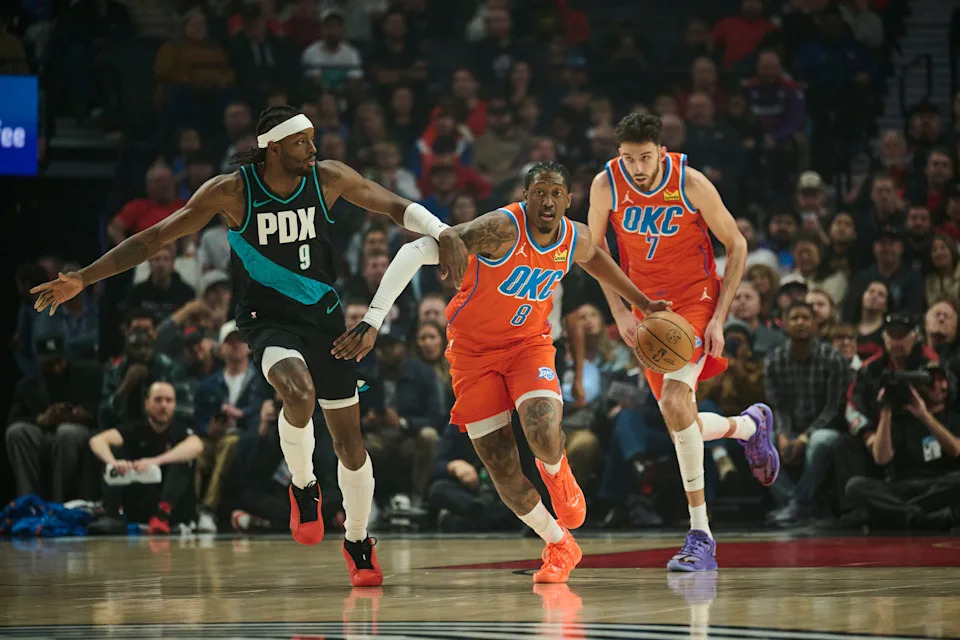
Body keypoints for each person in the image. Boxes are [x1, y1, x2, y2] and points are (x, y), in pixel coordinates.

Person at [32, 105, 468, 587]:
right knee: (297, 394)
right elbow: (154, 239)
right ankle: (304, 487)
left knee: (350, 446)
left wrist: (441, 230)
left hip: (323, 317)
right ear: (274, 147)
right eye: (303, 141)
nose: (314, 149)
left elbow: (393, 204)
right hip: (266, 320)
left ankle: (359, 541)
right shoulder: (232, 192)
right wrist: (83, 278)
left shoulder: (328, 178)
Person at [332, 161, 670, 583]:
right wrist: (373, 319)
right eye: (539, 192)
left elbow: (597, 258)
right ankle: (559, 544)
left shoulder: (573, 237)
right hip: (472, 354)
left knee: (543, 430)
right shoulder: (499, 230)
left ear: (569, 199)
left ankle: (557, 474)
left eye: (556, 193)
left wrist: (641, 302)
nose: (547, 200)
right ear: (525, 196)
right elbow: (415, 250)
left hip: (529, 346)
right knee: (502, 468)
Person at [587, 112, 780, 571]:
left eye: (645, 157)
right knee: (679, 421)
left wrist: (718, 318)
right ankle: (748, 427)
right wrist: (619, 313)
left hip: (694, 302)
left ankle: (701, 536)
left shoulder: (689, 182)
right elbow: (594, 253)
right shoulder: (605, 185)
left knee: (676, 400)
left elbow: (736, 245)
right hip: (647, 310)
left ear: (662, 151)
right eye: (629, 158)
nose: (637, 167)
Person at [87, 381, 204, 535]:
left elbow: (197, 446)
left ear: (175, 405)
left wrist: (155, 462)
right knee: (114, 451)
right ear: (147, 403)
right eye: (158, 400)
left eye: (169, 401)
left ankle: (162, 515)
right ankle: (112, 514)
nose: (163, 406)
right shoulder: (135, 428)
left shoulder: (181, 430)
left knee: (183, 459)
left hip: (173, 509)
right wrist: (114, 463)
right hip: (139, 501)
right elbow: (97, 441)